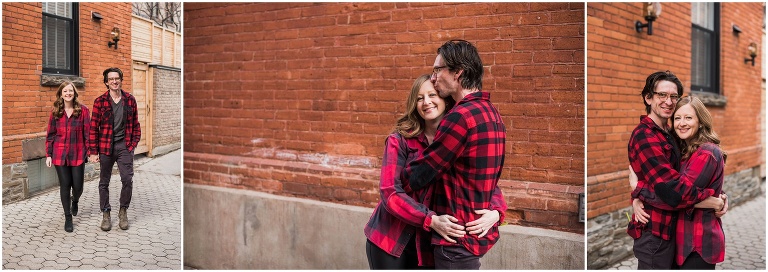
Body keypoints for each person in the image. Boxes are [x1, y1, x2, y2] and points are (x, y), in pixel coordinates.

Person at [364, 74, 506, 269]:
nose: (426, 102)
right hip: (391, 240)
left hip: (430, 246)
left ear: (445, 100)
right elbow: (390, 192)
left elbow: (484, 179)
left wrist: (496, 212)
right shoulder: (399, 140)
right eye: (420, 98)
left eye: (432, 95)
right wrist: (429, 219)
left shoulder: (458, 137)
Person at [397, 40, 507, 269]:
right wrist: (497, 211)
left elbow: (420, 174)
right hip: (475, 235)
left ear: (458, 72)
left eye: (438, 69)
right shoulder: (492, 113)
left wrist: (402, 173)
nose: (434, 77)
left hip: (455, 239)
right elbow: (487, 179)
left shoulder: (460, 117)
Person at [626, 71, 725, 269]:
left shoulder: (670, 135)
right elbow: (674, 193)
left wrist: (720, 195)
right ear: (648, 97)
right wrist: (711, 200)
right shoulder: (646, 136)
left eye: (673, 96)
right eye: (662, 95)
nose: (668, 101)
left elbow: (683, 181)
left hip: (672, 231)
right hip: (656, 232)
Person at [88, 67, 141, 231]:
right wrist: (93, 151)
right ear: (106, 82)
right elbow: (93, 128)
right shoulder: (100, 101)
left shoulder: (130, 100)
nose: (114, 81)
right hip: (105, 147)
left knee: (127, 179)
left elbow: (136, 126)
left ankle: (123, 211)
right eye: (111, 79)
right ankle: (106, 213)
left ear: (121, 80)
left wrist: (131, 146)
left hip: (124, 146)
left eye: (116, 78)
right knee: (104, 182)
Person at [45, 81, 90, 232]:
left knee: (78, 186)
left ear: (74, 93)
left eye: (70, 91)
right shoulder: (56, 111)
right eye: (65, 91)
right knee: (65, 185)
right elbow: (50, 135)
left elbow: (87, 134)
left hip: (77, 152)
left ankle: (75, 200)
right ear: (61, 94)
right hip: (60, 153)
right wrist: (48, 155)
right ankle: (68, 217)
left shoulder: (83, 111)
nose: (68, 93)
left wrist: (90, 152)